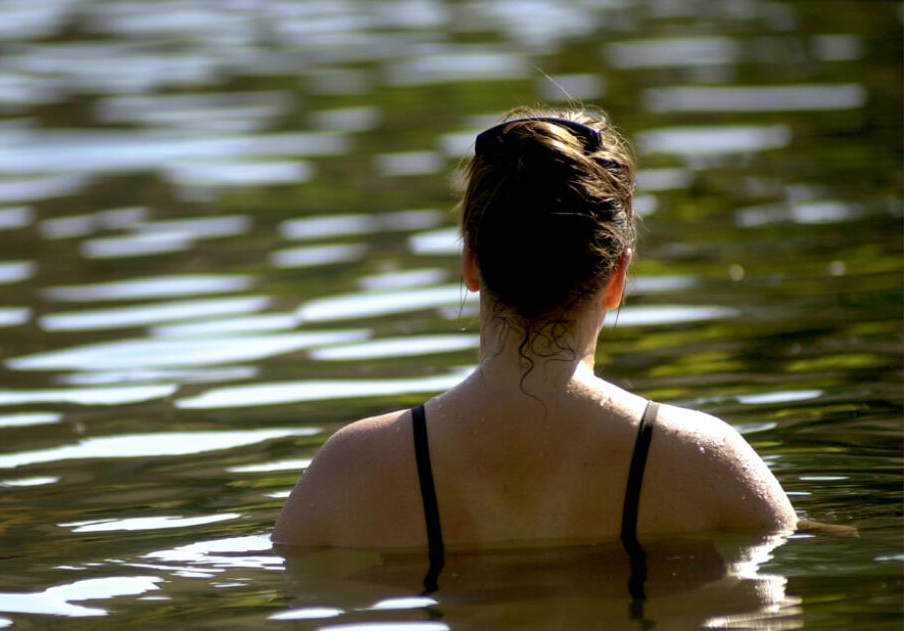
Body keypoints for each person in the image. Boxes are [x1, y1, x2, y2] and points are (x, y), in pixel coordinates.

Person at [273, 109, 796, 573]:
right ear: (616, 278)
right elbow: (774, 610)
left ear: (471, 263)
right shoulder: (707, 461)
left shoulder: (349, 472)